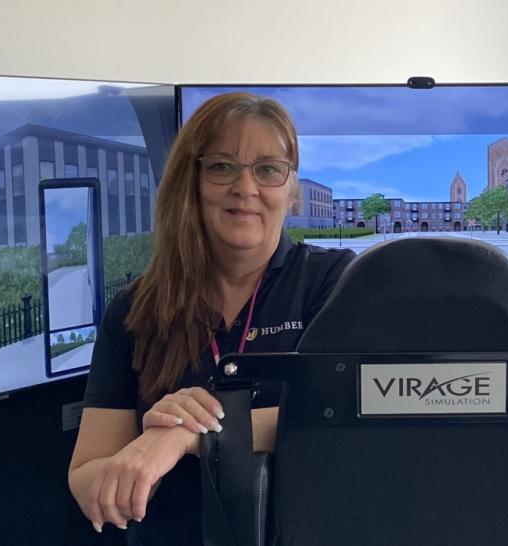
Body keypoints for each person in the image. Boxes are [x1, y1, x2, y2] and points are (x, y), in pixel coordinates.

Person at [68, 92, 355, 545]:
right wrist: (138, 469)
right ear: (191, 181)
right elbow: (87, 477)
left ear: (291, 188)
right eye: (222, 166)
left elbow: (347, 416)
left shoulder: (336, 284)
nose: (246, 187)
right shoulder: (134, 310)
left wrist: (188, 435)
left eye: (267, 169)